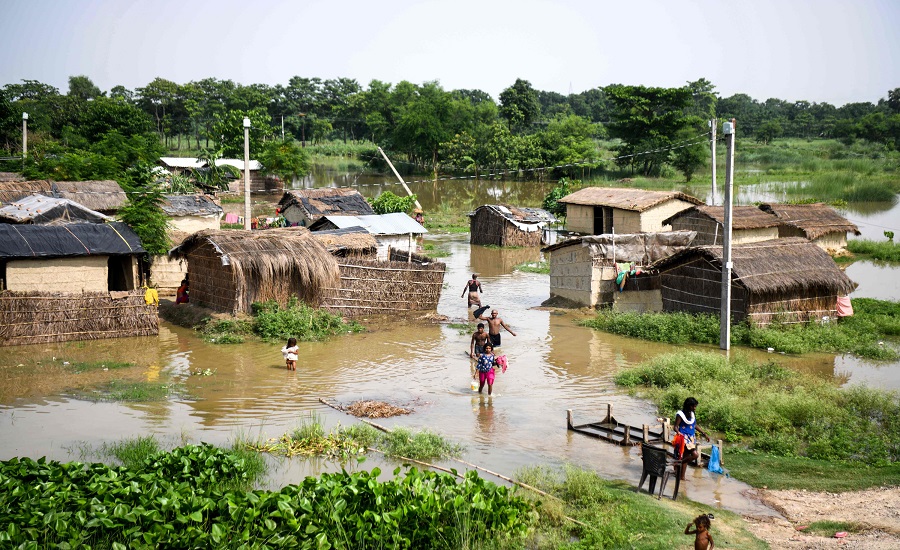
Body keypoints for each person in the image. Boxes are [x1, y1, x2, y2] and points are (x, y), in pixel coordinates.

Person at [672, 397, 711, 481]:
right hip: (684, 437)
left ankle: (682, 477)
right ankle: (678, 463)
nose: (694, 408)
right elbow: (675, 426)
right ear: (688, 405)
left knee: (686, 456)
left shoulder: (692, 414)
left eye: (695, 406)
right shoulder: (680, 414)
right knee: (695, 455)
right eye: (693, 406)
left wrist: (704, 433)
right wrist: (678, 432)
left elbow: (694, 425)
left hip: (691, 437)